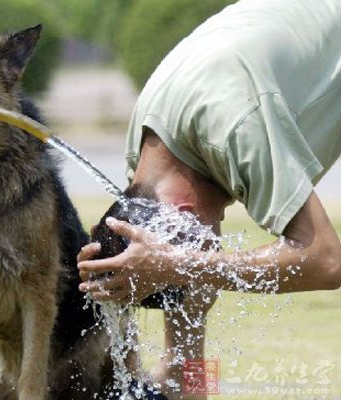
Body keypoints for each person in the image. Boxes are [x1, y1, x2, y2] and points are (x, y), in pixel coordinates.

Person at [78, 0, 341, 398]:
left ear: (181, 214)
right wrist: (188, 378)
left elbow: (325, 260)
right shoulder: (151, 159)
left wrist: (175, 264)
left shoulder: (235, 125)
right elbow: (192, 284)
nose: (191, 261)